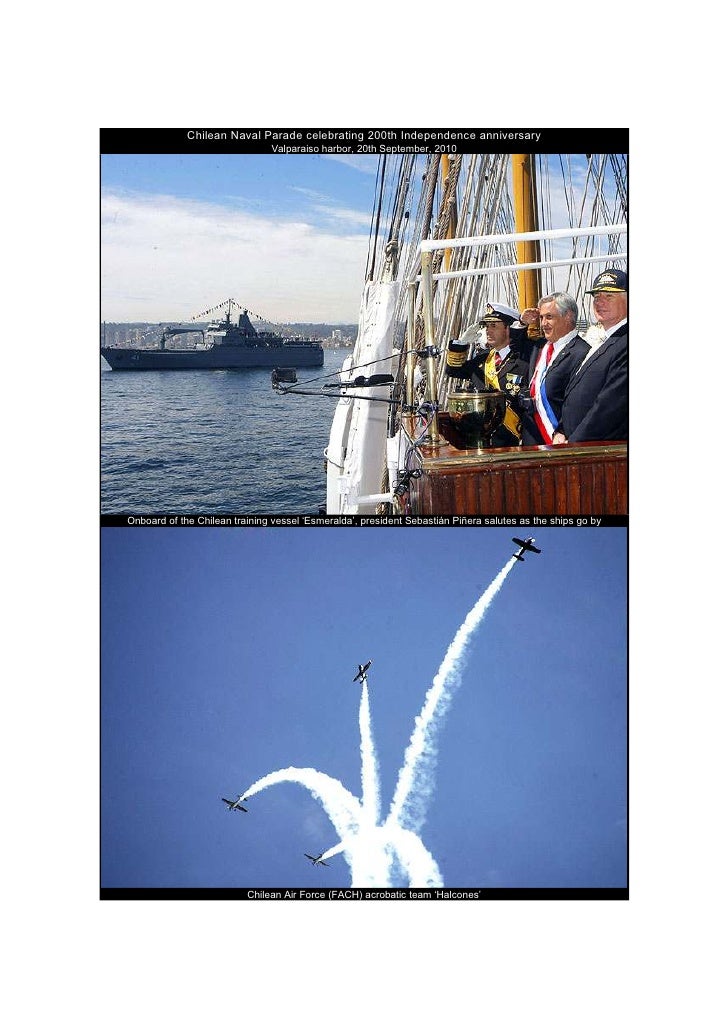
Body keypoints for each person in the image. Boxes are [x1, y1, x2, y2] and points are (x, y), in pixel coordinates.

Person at [552, 268, 627, 444]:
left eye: (609, 296)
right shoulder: (604, 341)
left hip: (598, 452)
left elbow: (609, 407)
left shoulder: (625, 343)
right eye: (596, 297)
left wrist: (574, 445)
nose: (600, 302)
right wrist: (561, 430)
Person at [445, 303, 534, 446]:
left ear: (508, 329)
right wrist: (461, 344)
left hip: (514, 441)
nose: (488, 331)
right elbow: (453, 370)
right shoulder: (483, 359)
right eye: (487, 326)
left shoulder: (525, 359)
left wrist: (522, 325)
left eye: (494, 326)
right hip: (482, 441)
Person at [517, 292, 589, 446]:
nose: (543, 323)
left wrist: (562, 430)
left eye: (549, 317)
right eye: (541, 317)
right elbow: (514, 346)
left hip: (558, 438)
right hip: (531, 437)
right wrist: (522, 322)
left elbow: (579, 402)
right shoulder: (539, 347)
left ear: (568, 316)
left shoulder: (582, 352)